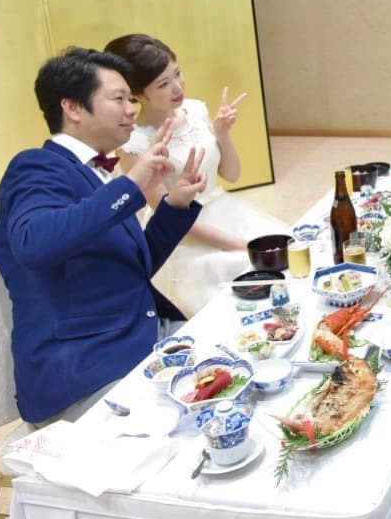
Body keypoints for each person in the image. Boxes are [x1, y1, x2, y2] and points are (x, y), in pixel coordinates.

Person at [0, 48, 206, 425]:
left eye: (131, 99)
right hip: (85, 368)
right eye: (119, 99)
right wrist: (130, 185)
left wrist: (173, 205)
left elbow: (129, 267)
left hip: (138, 335)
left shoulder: (97, 173)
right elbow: (34, 244)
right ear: (73, 108)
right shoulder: (35, 167)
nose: (132, 110)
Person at [104, 34, 291, 317]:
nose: (177, 87)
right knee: (247, 276)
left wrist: (223, 135)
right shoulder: (134, 144)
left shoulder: (196, 110)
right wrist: (241, 247)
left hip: (228, 212)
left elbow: (231, 174)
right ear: (138, 94)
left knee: (290, 252)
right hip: (185, 235)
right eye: (163, 84)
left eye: (177, 73)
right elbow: (168, 215)